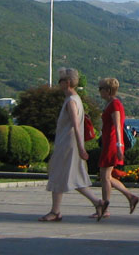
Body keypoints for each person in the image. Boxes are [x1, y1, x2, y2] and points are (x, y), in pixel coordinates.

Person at [41, 68, 105, 221]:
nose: (59, 84)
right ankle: (97, 202)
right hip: (70, 142)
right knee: (72, 176)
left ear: (67, 82)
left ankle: (55, 211)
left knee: (58, 173)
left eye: (61, 81)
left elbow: (76, 126)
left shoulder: (71, 101)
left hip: (67, 143)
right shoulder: (75, 99)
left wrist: (81, 148)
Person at [96, 77, 139, 218]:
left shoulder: (115, 105)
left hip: (113, 144)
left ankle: (105, 208)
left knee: (105, 176)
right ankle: (130, 196)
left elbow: (118, 126)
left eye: (101, 88)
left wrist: (119, 146)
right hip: (109, 142)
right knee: (105, 176)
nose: (99, 91)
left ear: (108, 90)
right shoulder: (110, 104)